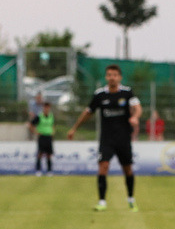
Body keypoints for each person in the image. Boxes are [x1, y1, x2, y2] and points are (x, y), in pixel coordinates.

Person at [67, 64, 142, 211]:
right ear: (106, 77)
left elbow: (138, 107)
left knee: (127, 169)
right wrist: (74, 128)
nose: (112, 78)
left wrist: (135, 117)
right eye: (109, 75)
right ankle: (102, 201)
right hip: (107, 139)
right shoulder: (100, 94)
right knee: (103, 167)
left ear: (119, 77)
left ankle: (131, 199)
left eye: (115, 75)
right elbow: (88, 112)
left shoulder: (127, 92)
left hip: (123, 138)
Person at [29, 101, 56, 176]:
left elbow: (52, 125)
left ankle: (49, 171)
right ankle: (38, 170)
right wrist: (35, 132)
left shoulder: (51, 116)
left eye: (48, 107)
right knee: (40, 153)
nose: (46, 109)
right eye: (45, 107)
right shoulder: (39, 116)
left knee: (49, 154)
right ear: (43, 108)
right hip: (42, 137)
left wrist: (53, 132)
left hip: (49, 136)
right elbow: (31, 124)